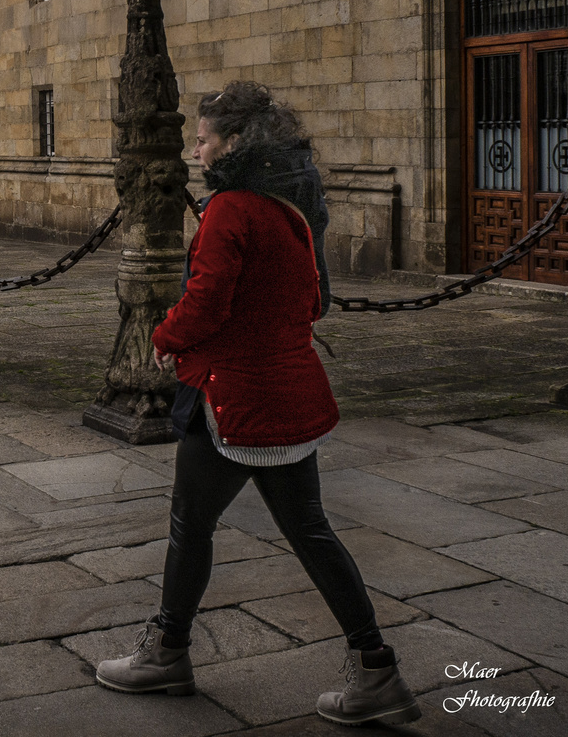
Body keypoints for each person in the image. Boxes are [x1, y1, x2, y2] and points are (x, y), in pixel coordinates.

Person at [95, 82, 419, 727]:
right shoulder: (290, 209)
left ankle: (166, 654)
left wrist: (165, 338)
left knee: (191, 528)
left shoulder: (230, 210)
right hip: (287, 393)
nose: (195, 146)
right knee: (310, 531)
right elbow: (312, 302)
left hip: (232, 399)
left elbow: (208, 299)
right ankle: (375, 667)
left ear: (234, 143)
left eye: (204, 137)